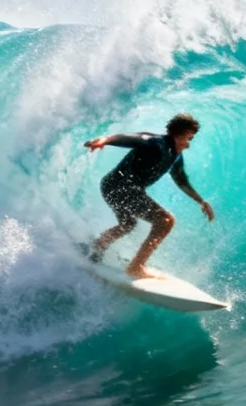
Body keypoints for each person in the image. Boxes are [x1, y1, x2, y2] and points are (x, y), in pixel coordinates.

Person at [84, 113, 214, 280]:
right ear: (182, 133)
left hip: (115, 187)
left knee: (128, 224)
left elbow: (181, 179)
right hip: (120, 188)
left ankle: (96, 248)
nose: (189, 145)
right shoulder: (156, 143)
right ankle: (136, 267)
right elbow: (132, 138)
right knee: (165, 221)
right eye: (190, 138)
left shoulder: (176, 155)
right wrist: (105, 140)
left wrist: (201, 201)